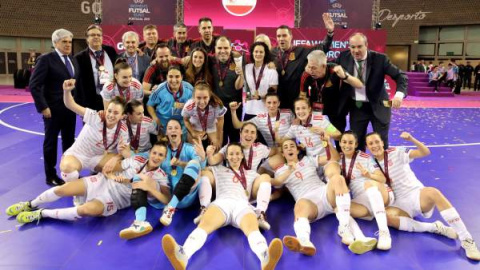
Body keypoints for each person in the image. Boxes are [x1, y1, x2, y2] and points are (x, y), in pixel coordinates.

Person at [161, 143, 283, 270]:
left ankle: (265, 257)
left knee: (253, 231)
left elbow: (265, 187)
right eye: (231, 154)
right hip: (222, 203)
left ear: (242, 155)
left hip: (242, 205)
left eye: (237, 153)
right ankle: (183, 254)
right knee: (204, 227)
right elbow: (200, 171)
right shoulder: (217, 169)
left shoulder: (252, 174)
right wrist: (202, 158)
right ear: (226, 156)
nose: (234, 156)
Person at [366, 131, 480, 261]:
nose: (374, 145)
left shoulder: (396, 152)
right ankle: (434, 227)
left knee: (433, 192)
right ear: (367, 147)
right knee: (384, 217)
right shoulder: (370, 164)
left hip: (416, 195)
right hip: (397, 203)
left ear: (382, 142)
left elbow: (425, 152)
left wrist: (411, 139)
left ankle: (467, 240)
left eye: (377, 142)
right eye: (370, 143)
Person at [6, 142, 169, 226]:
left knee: (85, 210)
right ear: (149, 152)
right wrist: (111, 174)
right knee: (63, 189)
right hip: (100, 182)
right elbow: (110, 170)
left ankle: (41, 214)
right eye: (154, 152)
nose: (156, 157)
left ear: (164, 158)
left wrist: (149, 188)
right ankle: (30, 204)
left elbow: (166, 200)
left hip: (115, 200)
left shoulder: (161, 176)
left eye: (160, 155)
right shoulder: (138, 159)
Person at [274, 139, 377, 255]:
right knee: (300, 206)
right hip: (307, 200)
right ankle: (304, 241)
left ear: (297, 150)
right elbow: (277, 183)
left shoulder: (308, 160)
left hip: (324, 193)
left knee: (338, 179)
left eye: (292, 146)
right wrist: (289, 170)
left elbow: (333, 158)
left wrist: (327, 142)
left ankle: (350, 232)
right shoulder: (280, 170)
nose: (289, 148)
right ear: (283, 153)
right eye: (286, 147)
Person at [335, 32, 408, 151]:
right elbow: (329, 66)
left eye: (359, 46)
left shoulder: (380, 59)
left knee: (380, 143)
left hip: (379, 105)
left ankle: (383, 168)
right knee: (357, 142)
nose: (356, 50)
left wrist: (398, 96)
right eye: (353, 47)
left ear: (366, 45)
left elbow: (401, 76)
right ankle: (359, 168)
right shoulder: (343, 57)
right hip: (357, 107)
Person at [199, 122, 275, 230]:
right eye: (246, 131)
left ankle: (260, 215)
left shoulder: (260, 148)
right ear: (240, 133)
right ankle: (204, 209)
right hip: (229, 185)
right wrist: (209, 155)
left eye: (252, 132)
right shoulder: (230, 147)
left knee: (265, 177)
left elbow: (276, 152)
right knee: (206, 173)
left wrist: (267, 167)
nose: (249, 135)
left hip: (249, 185)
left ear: (256, 136)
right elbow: (213, 161)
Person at [29, 28, 78, 186]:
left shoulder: (73, 60)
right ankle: (50, 175)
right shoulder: (46, 59)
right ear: (55, 43)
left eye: (70, 42)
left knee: (69, 141)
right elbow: (34, 85)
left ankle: (67, 171)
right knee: (51, 143)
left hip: (70, 109)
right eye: (64, 41)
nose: (68, 44)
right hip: (52, 110)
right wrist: (43, 107)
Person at [59, 79, 129, 182]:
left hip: (97, 157)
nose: (110, 115)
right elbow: (71, 105)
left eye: (116, 113)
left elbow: (125, 152)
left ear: (122, 116)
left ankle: (100, 183)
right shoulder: (96, 117)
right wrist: (67, 91)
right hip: (78, 154)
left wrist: (116, 158)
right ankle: (75, 188)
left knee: (122, 166)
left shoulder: (123, 129)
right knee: (67, 170)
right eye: (109, 111)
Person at [338, 131, 393, 250]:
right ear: (340, 143)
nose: (347, 145)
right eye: (344, 142)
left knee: (369, 184)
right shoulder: (339, 159)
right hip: (364, 202)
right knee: (338, 208)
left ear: (356, 144)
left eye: (351, 142)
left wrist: (369, 175)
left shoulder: (365, 158)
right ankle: (359, 237)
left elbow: (382, 179)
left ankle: (384, 233)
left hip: (381, 193)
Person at [300, 50, 363, 148]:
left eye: (314, 68)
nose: (311, 70)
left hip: (335, 108)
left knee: (338, 136)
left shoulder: (335, 70)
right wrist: (303, 113)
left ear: (324, 66)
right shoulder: (307, 73)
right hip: (315, 108)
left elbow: (359, 84)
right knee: (312, 134)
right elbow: (302, 96)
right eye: (309, 66)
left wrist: (344, 76)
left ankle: (341, 154)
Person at [272, 13, 334, 110]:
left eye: (284, 35)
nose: (281, 39)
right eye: (278, 36)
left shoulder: (302, 50)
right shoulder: (272, 53)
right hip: (277, 102)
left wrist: (330, 33)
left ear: (291, 36)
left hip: (296, 103)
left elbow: (322, 48)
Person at [157, 119, 207, 226]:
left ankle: (170, 208)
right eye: (170, 128)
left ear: (181, 131)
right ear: (166, 132)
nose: (173, 130)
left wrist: (202, 157)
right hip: (169, 194)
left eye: (176, 128)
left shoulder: (190, 148)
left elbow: (200, 167)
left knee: (194, 163)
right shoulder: (162, 150)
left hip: (188, 195)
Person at [209, 36, 244, 144]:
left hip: (235, 106)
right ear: (215, 49)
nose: (222, 51)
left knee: (234, 138)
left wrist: (241, 75)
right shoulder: (210, 61)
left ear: (231, 48)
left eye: (226, 48)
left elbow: (239, 86)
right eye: (219, 48)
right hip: (217, 107)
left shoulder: (239, 60)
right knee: (219, 139)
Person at [74, 24, 117, 111]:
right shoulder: (79, 58)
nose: (96, 37)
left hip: (112, 99)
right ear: (87, 39)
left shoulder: (111, 51)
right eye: (93, 35)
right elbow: (78, 83)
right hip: (90, 102)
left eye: (98, 35)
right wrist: (80, 105)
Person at [147, 65, 193, 132]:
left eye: (177, 76)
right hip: (163, 123)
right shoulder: (159, 89)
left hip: (183, 123)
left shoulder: (189, 89)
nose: (174, 80)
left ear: (182, 77)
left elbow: (194, 107)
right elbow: (149, 105)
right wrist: (155, 118)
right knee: (163, 141)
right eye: (170, 76)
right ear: (167, 77)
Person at [182, 81, 226, 149]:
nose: (202, 102)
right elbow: (185, 120)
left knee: (216, 148)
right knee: (195, 151)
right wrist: (193, 132)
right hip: (196, 128)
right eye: (198, 98)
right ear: (193, 97)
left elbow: (220, 120)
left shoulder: (217, 104)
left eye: (205, 97)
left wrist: (218, 138)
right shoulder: (189, 105)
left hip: (212, 128)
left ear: (209, 96)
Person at [242, 41, 278, 120]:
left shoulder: (271, 71)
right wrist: (248, 96)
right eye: (256, 51)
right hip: (249, 110)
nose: (258, 54)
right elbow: (245, 87)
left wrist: (260, 97)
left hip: (265, 110)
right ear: (252, 53)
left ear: (265, 54)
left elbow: (273, 92)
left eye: (261, 52)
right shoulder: (247, 68)